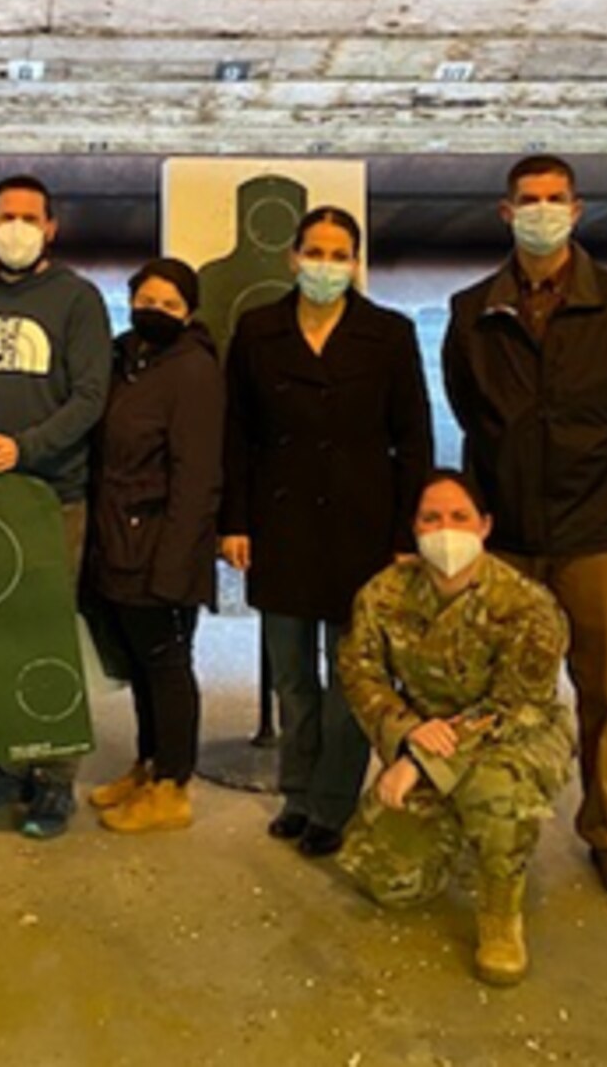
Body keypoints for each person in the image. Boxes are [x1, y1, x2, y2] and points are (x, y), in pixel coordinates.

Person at [442, 155, 607, 902]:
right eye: (527, 200)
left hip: (600, 533)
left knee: (603, 689)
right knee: (498, 691)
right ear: (506, 213)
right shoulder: (472, 310)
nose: (541, 210)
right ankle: (496, 823)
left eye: (555, 198)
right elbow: (467, 406)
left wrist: (591, 464)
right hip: (508, 531)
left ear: (576, 211)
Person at [220, 206, 433, 858]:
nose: (326, 264)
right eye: (315, 251)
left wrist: (408, 533)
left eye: (340, 254)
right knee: (290, 675)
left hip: (363, 527)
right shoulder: (258, 331)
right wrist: (234, 521)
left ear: (356, 262)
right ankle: (297, 791)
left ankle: (333, 805)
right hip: (282, 525)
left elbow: (414, 437)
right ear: (292, 257)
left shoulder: (389, 334)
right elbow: (236, 435)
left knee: (350, 678)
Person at [335, 471, 574, 988]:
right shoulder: (384, 593)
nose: (446, 529)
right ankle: (453, 823)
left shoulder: (527, 605)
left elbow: (517, 705)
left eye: (459, 517)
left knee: (496, 792)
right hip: (421, 736)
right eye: (432, 518)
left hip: (516, 738)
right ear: (415, 529)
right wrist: (406, 733)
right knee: (390, 882)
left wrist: (418, 763)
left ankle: (500, 909)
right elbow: (361, 672)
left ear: (485, 525)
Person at [0, 174, 112, 838]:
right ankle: (6, 762)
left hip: (51, 497)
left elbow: (89, 397)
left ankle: (54, 780)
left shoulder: (77, 299)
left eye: (31, 217)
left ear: (51, 228)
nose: (17, 227)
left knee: (47, 642)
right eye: (6, 216)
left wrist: (25, 448)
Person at [84, 259, 223, 834]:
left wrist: (174, 565)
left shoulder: (194, 372)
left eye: (169, 305)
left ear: (188, 312)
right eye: (146, 300)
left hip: (162, 545)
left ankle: (174, 784)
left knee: (166, 664)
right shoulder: (123, 359)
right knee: (140, 665)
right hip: (117, 538)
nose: (155, 312)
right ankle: (146, 766)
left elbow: (197, 477)